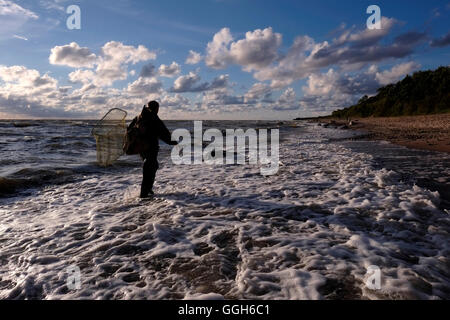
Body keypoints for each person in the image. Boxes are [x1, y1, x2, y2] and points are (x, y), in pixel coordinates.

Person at [136, 101, 177, 198]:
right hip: (151, 148)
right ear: (156, 108)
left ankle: (147, 191)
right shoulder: (154, 118)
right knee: (149, 168)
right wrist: (174, 142)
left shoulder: (140, 116)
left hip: (142, 148)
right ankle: (143, 196)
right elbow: (164, 134)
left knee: (152, 166)